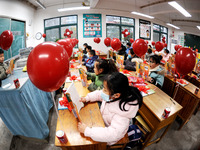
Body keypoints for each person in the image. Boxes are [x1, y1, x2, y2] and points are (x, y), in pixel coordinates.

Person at [78, 72, 143, 145]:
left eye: (105, 89)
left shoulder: (122, 115)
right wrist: (87, 98)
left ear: (117, 95)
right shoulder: (112, 95)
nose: (102, 91)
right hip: (103, 122)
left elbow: (112, 135)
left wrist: (87, 131)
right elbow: (99, 94)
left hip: (108, 136)